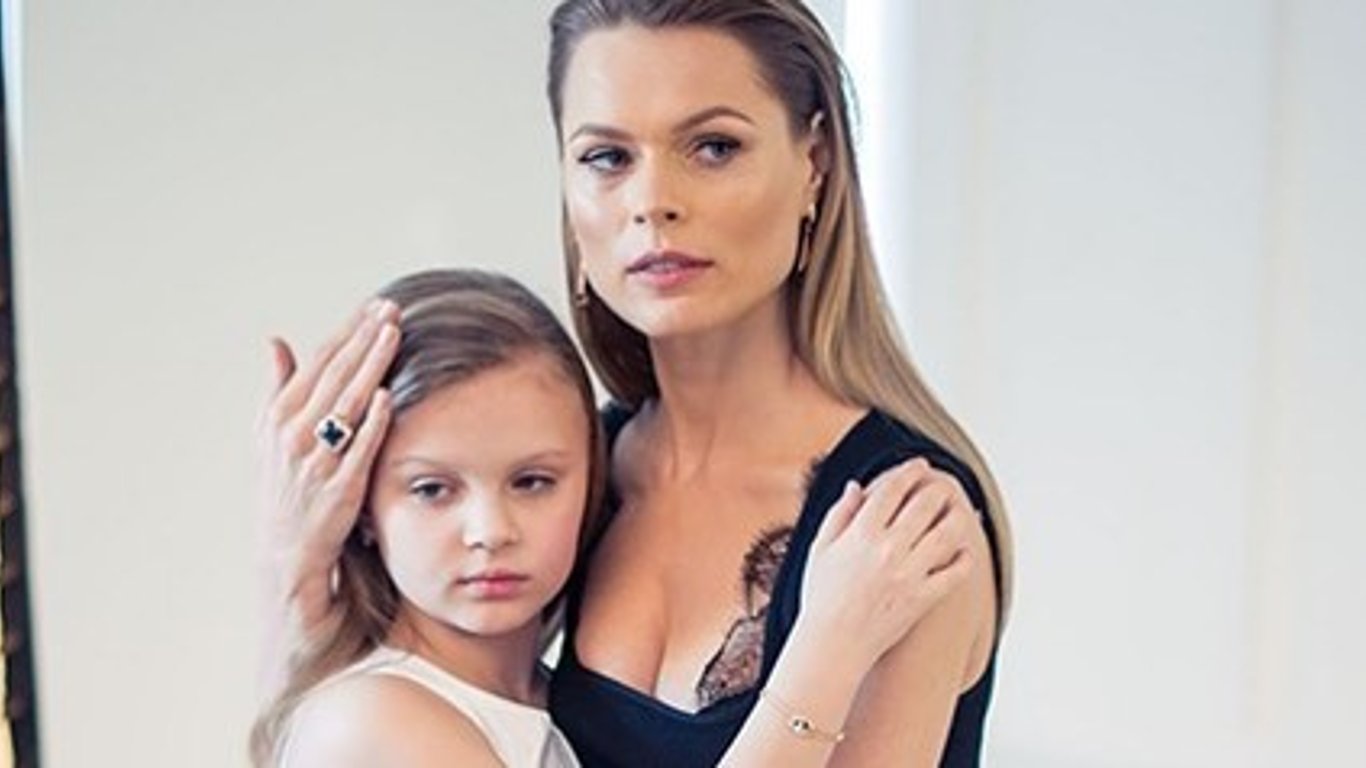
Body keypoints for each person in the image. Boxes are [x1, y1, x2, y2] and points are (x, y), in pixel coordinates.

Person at [261, 0, 1012, 765]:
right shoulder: (584, 470)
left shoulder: (901, 524)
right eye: (607, 158)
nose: (653, 203)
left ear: (813, 163)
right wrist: (300, 571)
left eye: (714, 147)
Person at [252, 269, 604, 766]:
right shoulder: (373, 719)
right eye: (432, 490)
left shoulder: (555, 703)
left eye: (531, 482)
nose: (491, 532)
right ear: (362, 506)